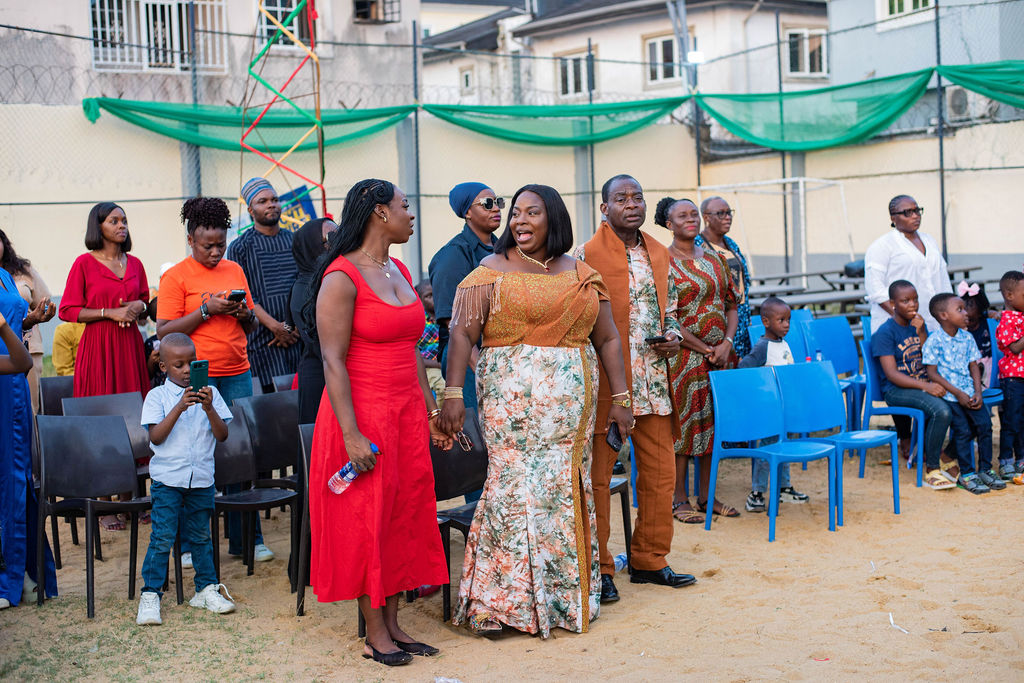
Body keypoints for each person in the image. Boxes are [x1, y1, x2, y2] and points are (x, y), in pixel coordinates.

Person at [439, 184, 632, 637]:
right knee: (511, 489)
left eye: (532, 213)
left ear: (554, 219)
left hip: (569, 414)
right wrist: (453, 393)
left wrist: (622, 399)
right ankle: (497, 603)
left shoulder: (582, 273)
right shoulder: (490, 270)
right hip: (509, 409)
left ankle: (561, 598)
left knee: (559, 490)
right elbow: (461, 334)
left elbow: (607, 338)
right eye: (516, 213)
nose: (519, 221)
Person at [304, 179, 449, 667]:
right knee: (366, 521)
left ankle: (393, 624)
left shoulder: (400, 269)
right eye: (405, 206)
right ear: (380, 213)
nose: (412, 214)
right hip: (361, 416)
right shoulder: (341, 277)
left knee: (401, 516)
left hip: (405, 415)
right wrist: (350, 435)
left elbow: (412, 352)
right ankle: (374, 634)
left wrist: (430, 413)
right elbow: (332, 361)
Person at [575, 174, 695, 605]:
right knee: (598, 481)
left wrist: (674, 336)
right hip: (609, 390)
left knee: (661, 478)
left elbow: (672, 309)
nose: (632, 204)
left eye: (638, 197)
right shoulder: (584, 255)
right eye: (621, 198)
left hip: (655, 384)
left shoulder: (659, 252)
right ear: (604, 208)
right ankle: (600, 568)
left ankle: (649, 559)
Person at [157, 197, 273, 564]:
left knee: (240, 453)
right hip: (196, 374)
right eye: (207, 246)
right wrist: (206, 310)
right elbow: (165, 332)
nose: (215, 252)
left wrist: (242, 314)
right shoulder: (176, 277)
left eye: (221, 244)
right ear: (190, 240)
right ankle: (190, 544)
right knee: (193, 457)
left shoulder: (234, 269)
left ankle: (247, 539)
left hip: (237, 370)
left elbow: (250, 324)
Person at [136, 333, 236, 625]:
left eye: (191, 363)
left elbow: (223, 435)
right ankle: (150, 594)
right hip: (167, 480)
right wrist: (179, 407)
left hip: (201, 479)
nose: (186, 370)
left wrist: (209, 408)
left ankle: (205, 589)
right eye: (178, 365)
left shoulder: (210, 393)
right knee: (162, 538)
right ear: (163, 366)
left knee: (202, 536)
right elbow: (156, 436)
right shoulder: (157, 396)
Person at [653, 197, 738, 525]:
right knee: (685, 429)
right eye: (682, 216)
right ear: (669, 224)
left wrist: (726, 343)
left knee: (714, 427)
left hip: (721, 358)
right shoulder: (663, 261)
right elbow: (667, 316)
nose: (690, 219)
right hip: (684, 359)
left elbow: (731, 304)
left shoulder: (716, 258)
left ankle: (707, 496)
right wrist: (705, 348)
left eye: (693, 214)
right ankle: (679, 499)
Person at [0, 269, 58, 610]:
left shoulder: (5, 275)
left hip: (12, 379)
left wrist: (30, 320)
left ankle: (22, 571)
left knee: (16, 477)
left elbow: (10, 327)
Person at [57, 202, 151, 400]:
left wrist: (140, 305)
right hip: (98, 345)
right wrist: (108, 312)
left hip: (130, 344)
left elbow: (144, 305)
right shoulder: (83, 263)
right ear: (98, 227)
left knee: (133, 404)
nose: (122, 226)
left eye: (124, 221)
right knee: (100, 404)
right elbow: (66, 310)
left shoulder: (136, 264)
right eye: (114, 221)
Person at [870, 280, 954, 491]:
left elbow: (929, 359)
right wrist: (926, 387)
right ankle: (932, 470)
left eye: (915, 299)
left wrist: (922, 333)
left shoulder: (917, 326)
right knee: (941, 411)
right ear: (892, 304)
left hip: (921, 385)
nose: (912, 304)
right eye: (905, 301)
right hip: (897, 391)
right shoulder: (885, 333)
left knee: (962, 401)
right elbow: (892, 375)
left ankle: (941, 452)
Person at [428, 182, 503, 412]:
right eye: (487, 204)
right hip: (468, 357)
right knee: (480, 425)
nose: (496, 208)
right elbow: (454, 323)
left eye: (498, 202)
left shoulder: (505, 250)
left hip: (500, 353)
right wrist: (482, 372)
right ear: (467, 212)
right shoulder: (452, 256)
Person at [921, 293, 1004, 494]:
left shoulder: (967, 337)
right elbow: (932, 373)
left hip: (970, 393)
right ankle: (967, 475)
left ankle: (986, 469)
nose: (966, 313)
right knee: (963, 432)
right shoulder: (934, 341)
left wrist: (978, 392)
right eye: (960, 309)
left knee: (985, 426)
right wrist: (958, 394)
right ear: (944, 315)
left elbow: (974, 366)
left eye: (965, 308)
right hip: (950, 397)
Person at [737, 297, 813, 510]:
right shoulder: (763, 346)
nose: (787, 324)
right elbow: (744, 368)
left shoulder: (783, 343)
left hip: (784, 408)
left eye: (788, 319)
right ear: (766, 321)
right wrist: (762, 388)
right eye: (781, 320)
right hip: (769, 409)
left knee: (783, 447)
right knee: (767, 450)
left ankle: (784, 488)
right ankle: (757, 493)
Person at [226, 178, 301, 394]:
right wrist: (276, 327)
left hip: (297, 337)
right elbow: (245, 295)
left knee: (301, 394)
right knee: (270, 401)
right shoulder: (240, 247)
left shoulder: (295, 240)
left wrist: (293, 326)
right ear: (250, 210)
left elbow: (305, 286)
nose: (271, 205)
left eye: (275, 200)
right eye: (263, 201)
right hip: (262, 341)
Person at [865, 195, 951, 334]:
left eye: (917, 211)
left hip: (933, 322)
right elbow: (876, 291)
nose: (915, 216)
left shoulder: (930, 241)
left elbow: (943, 281)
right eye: (907, 212)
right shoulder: (882, 246)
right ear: (893, 217)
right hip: (897, 328)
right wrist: (905, 319)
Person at [289, 217, 338, 425]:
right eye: (331, 237)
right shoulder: (304, 290)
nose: (338, 241)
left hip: (336, 376)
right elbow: (323, 346)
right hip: (321, 381)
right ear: (312, 247)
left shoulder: (333, 280)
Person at [1, 229, 55, 412]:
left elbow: (45, 300)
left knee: (28, 406)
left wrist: (33, 318)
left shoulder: (18, 272)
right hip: (2, 352)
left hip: (26, 346)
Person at [695, 196, 752, 357]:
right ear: (706, 217)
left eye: (729, 212)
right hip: (719, 319)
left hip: (740, 317)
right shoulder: (698, 246)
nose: (728, 217)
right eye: (721, 213)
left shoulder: (731, 243)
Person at [995, 270, 1024, 480]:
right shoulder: (1007, 320)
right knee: (1011, 421)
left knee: (1022, 421)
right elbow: (1014, 348)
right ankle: (1005, 460)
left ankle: (1021, 458)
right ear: (1009, 296)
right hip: (1013, 380)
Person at [959, 281, 996, 388]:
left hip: (989, 367)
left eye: (970, 305)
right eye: (961, 306)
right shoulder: (959, 328)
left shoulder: (987, 322)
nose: (965, 310)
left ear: (980, 310)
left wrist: (993, 313)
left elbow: (992, 314)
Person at [413, 280, 445, 405]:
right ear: (420, 300)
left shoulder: (446, 316)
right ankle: (441, 414)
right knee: (443, 386)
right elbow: (415, 354)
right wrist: (437, 364)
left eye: (436, 293)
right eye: (428, 296)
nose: (434, 298)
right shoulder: (419, 322)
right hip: (428, 367)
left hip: (448, 364)